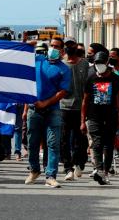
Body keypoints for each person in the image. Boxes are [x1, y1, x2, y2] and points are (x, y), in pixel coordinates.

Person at [25, 37, 71, 188]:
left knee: (53, 143)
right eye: (51, 45)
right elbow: (21, 55)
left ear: (62, 51)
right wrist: (29, 44)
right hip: (34, 109)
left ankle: (50, 175)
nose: (53, 48)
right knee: (32, 142)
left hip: (52, 110)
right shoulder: (38, 60)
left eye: (57, 46)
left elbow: (63, 91)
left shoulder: (64, 69)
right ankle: (34, 170)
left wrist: (46, 102)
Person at [81, 52, 119, 185]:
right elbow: (85, 101)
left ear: (107, 63)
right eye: (96, 63)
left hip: (111, 117)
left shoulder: (116, 79)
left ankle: (105, 171)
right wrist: (82, 121)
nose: (99, 66)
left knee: (108, 145)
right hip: (93, 117)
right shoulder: (90, 78)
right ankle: (99, 169)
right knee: (96, 143)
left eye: (101, 63)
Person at [60, 38, 89, 181]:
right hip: (64, 107)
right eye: (67, 45)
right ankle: (68, 167)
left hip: (81, 107)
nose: (69, 47)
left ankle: (79, 162)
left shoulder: (84, 63)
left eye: (71, 45)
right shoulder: (61, 64)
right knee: (64, 139)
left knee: (81, 139)